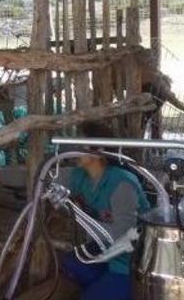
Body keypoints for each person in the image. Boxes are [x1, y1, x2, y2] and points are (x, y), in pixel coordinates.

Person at [61, 122, 150, 300]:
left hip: (129, 258)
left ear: (99, 150)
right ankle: (103, 283)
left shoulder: (122, 183)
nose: (75, 149)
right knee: (71, 265)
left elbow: (122, 236)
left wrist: (81, 218)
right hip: (104, 249)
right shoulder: (80, 176)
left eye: (81, 144)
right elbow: (46, 179)